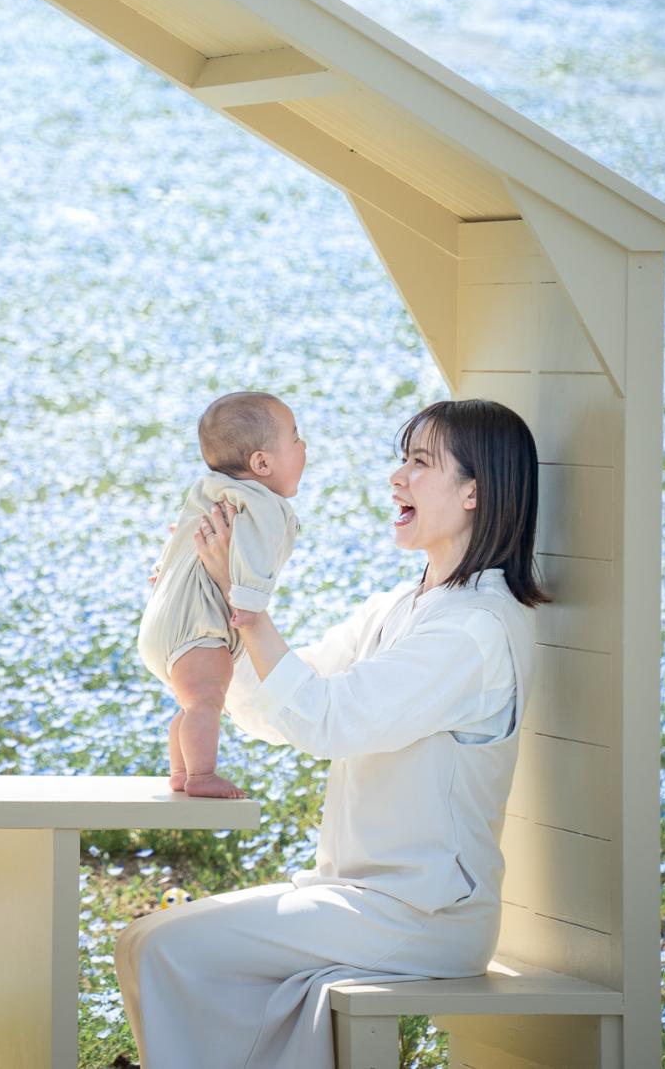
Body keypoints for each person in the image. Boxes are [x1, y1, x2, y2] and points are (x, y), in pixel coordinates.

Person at [115, 398, 551, 1068]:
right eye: (401, 459)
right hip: (354, 898)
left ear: (474, 492)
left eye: (419, 463)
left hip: (420, 917)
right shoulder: (398, 608)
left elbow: (328, 721)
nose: (395, 478)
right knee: (146, 939)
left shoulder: (473, 632)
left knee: (169, 948)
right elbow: (273, 710)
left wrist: (249, 610)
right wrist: (201, 617)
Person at [137, 391, 305, 799]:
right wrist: (249, 604)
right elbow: (250, 564)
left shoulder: (206, 490)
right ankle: (201, 775)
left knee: (194, 702)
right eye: (296, 438)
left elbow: (180, 539)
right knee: (206, 699)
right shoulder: (266, 506)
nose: (304, 447)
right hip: (200, 625)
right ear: (262, 463)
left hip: (164, 620)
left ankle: (181, 771)